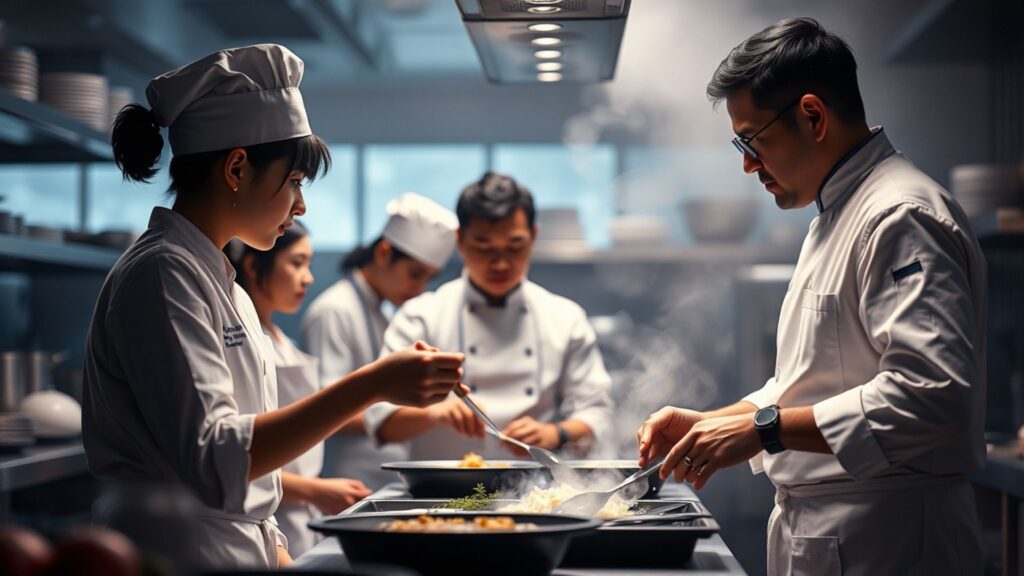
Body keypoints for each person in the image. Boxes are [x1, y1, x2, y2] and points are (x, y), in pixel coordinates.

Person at [83, 44, 463, 570]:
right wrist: (374, 383)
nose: (301, 205)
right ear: (237, 168)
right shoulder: (162, 273)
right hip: (178, 553)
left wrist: (279, 552)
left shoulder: (225, 285)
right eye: (294, 182)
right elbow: (216, 459)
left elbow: (251, 469)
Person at [636, 18, 987, 575]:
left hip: (890, 541)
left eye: (752, 142)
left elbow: (932, 396)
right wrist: (717, 421)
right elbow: (820, 376)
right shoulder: (835, 214)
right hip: (835, 533)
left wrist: (763, 429)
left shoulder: (900, 215)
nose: (748, 164)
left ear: (813, 116)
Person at [364, 172, 614, 460]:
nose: (500, 263)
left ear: (533, 236)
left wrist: (557, 433)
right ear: (461, 241)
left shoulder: (565, 318)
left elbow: (598, 413)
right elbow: (381, 422)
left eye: (514, 247)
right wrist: (435, 413)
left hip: (538, 494)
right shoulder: (420, 317)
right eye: (484, 247)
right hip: (443, 497)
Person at [226, 224, 372, 558]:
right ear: (252, 265)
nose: (308, 278)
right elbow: (235, 452)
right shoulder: (238, 340)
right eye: (297, 263)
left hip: (293, 520)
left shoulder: (277, 338)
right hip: (266, 510)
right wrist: (313, 490)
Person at [301, 193, 458, 488]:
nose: (419, 288)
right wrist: (416, 415)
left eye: (428, 278)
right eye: (415, 274)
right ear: (384, 253)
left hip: (379, 480)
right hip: (346, 480)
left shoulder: (382, 314)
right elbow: (325, 409)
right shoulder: (334, 311)